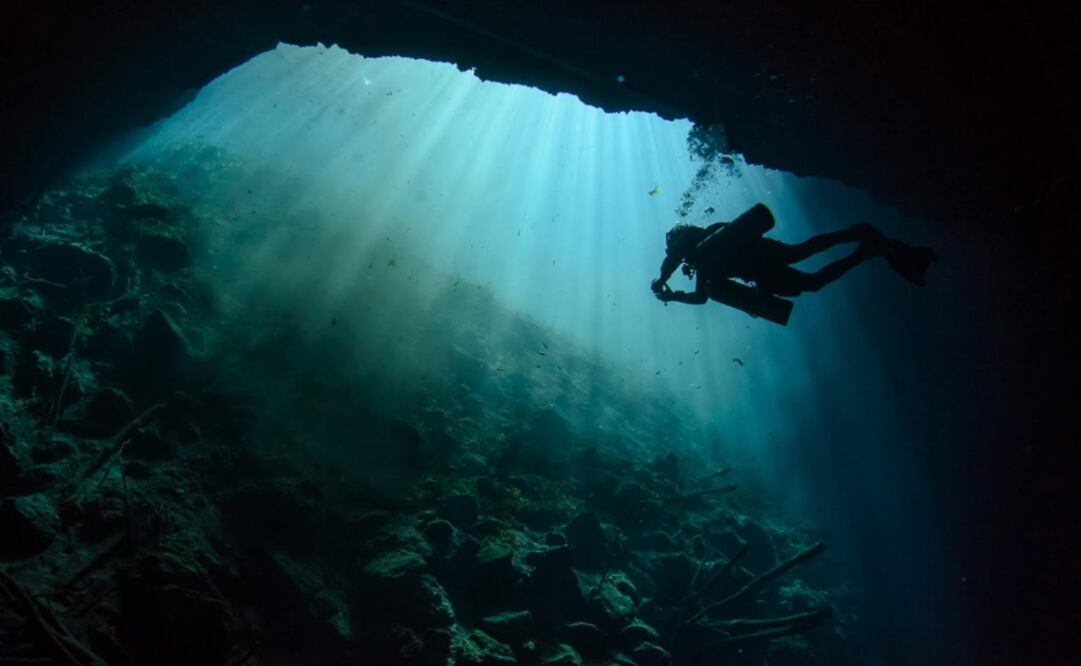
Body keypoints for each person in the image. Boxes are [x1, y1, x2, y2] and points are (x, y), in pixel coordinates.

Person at [650, 203, 937, 324]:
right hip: (761, 270)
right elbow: (702, 298)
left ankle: (858, 237)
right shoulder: (703, 263)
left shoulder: (697, 240)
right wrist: (673, 295)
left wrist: (664, 280)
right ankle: (863, 250)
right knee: (811, 278)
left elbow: (674, 258)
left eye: (673, 247)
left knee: (804, 255)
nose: (675, 252)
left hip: (760, 261)